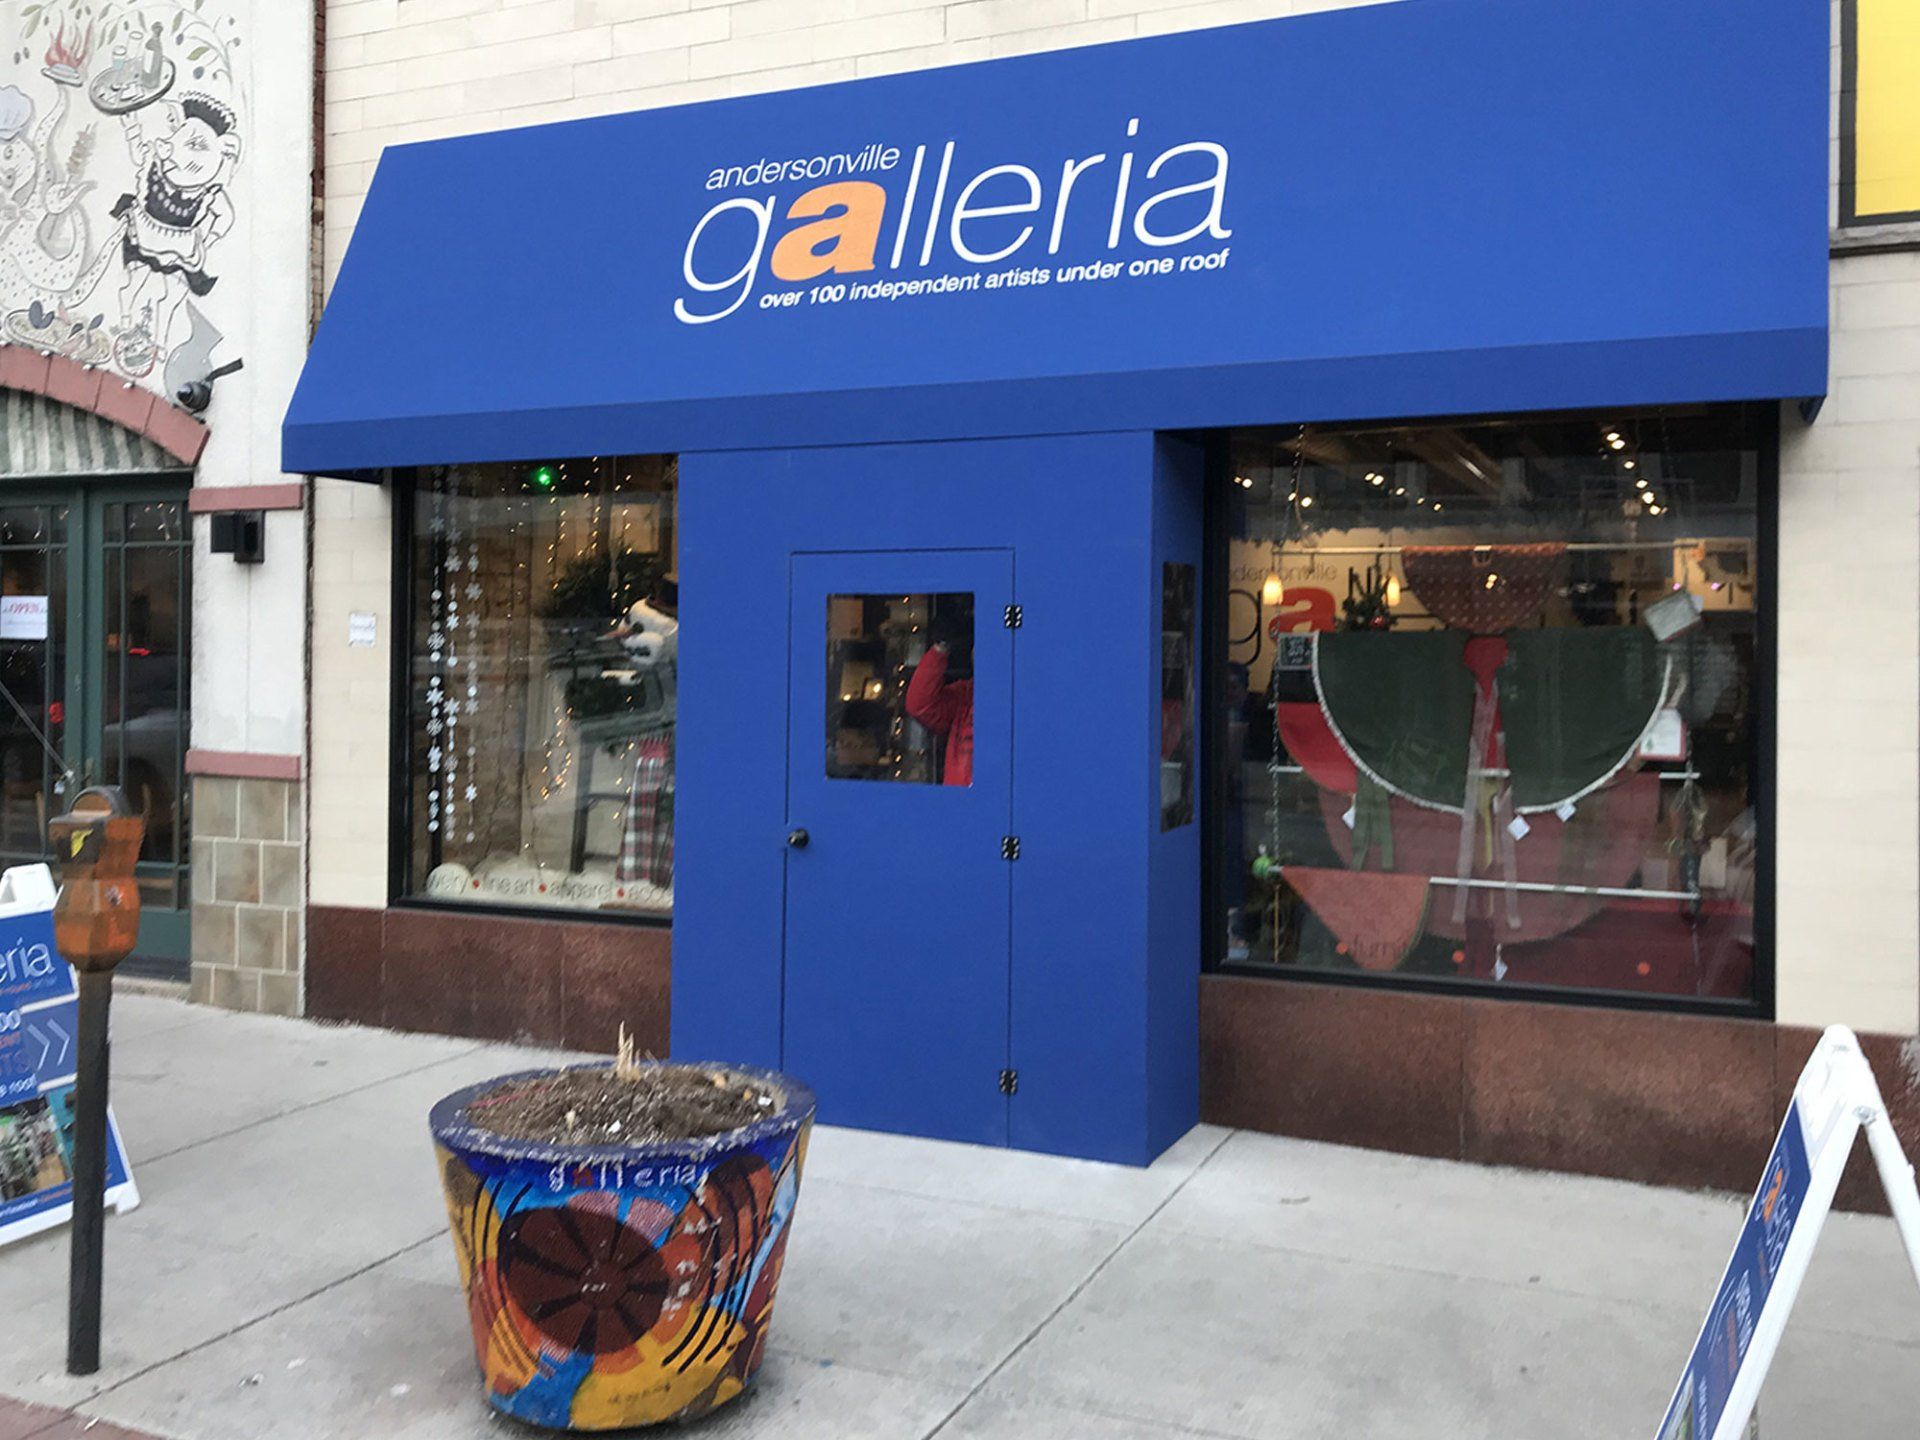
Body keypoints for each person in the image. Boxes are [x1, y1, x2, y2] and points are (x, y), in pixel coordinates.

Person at [905, 639, 972, 786]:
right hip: (963, 804)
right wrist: (941, 648)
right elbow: (921, 705)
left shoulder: (1027, 699)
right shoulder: (966, 695)